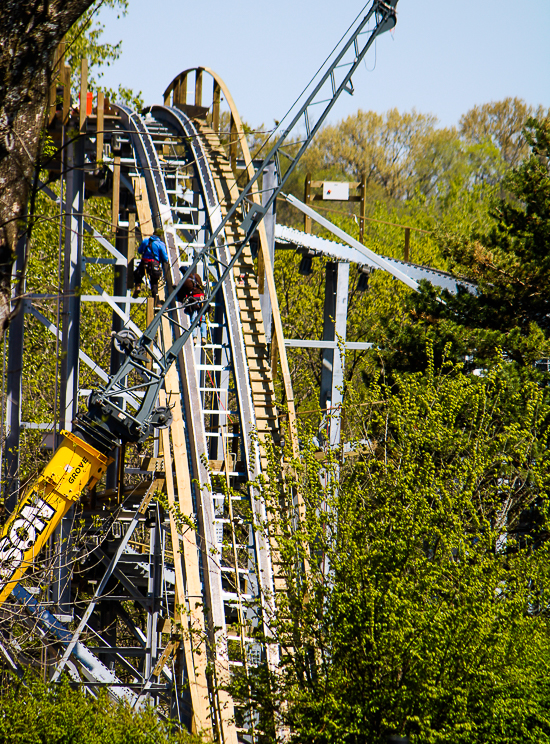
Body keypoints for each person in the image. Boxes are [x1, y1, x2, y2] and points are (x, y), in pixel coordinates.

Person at [133, 229, 169, 302]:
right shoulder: (161, 244)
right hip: (154, 266)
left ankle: (138, 286)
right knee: (154, 284)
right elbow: (165, 258)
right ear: (160, 236)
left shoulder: (145, 241)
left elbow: (139, 251)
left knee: (137, 274)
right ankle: (156, 302)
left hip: (144, 263)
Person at [177, 271, 208, 340]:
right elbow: (201, 285)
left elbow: (181, 292)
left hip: (193, 300)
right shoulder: (196, 276)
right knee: (202, 319)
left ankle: (194, 337)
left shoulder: (185, 281)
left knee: (193, 320)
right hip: (201, 298)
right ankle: (203, 337)